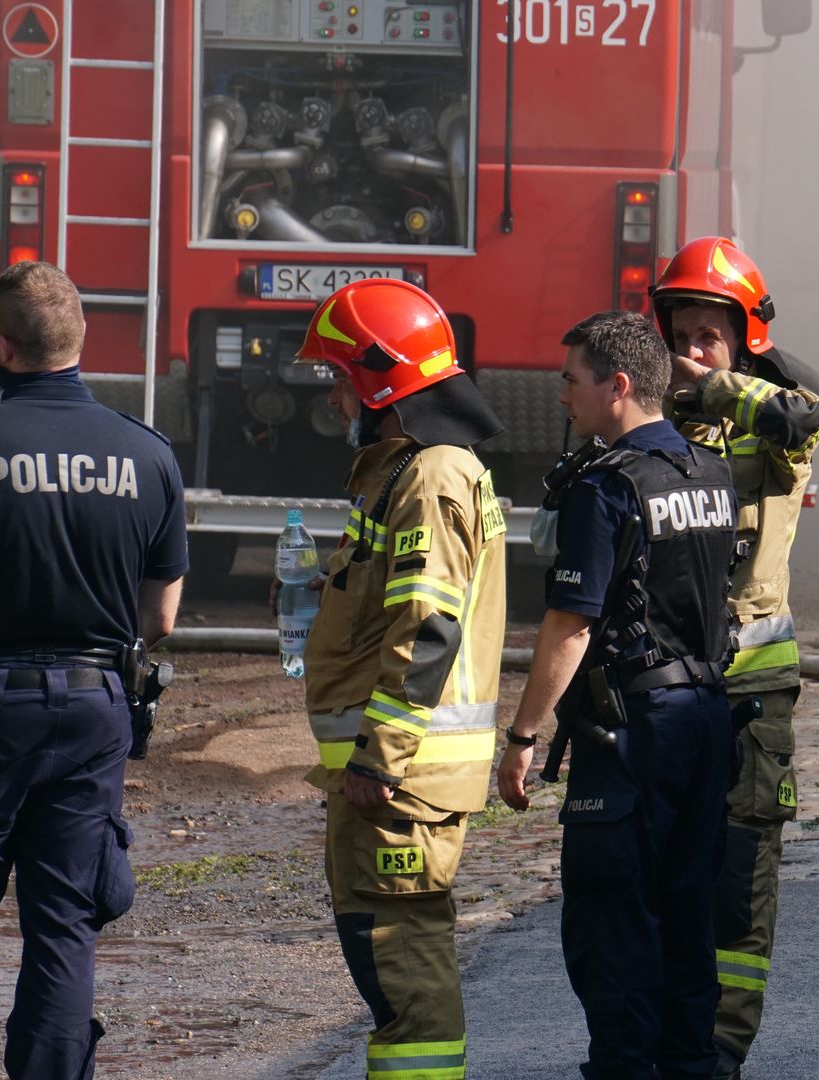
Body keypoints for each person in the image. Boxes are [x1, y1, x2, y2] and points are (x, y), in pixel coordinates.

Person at [0, 260, 187, 1078]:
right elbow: (160, 620)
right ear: (80, 341)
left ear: (0, 344)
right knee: (63, 928)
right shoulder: (147, 455)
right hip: (94, 708)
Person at [497, 310, 736, 1080]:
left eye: (572, 380)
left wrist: (523, 738)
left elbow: (569, 626)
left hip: (633, 732)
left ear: (619, 386)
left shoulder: (608, 488)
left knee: (614, 926)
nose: (562, 395)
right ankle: (692, 1065)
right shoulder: (711, 473)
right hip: (706, 721)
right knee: (688, 915)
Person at [293, 277, 507, 1080]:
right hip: (395, 778)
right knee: (385, 969)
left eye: (343, 377)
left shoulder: (431, 476)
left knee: (404, 974)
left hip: (402, 779)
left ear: (378, 379)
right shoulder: (417, 469)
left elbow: (429, 627)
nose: (339, 396)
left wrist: (381, 755)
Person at [650, 236, 819, 1079]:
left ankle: (722, 1051)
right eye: (678, 334)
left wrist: (715, 383)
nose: (688, 351)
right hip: (660, 693)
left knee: (739, 881)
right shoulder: (648, 428)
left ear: (745, 339)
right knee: (654, 870)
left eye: (707, 335)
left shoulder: (778, 418)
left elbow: (805, 420)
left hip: (751, 694)